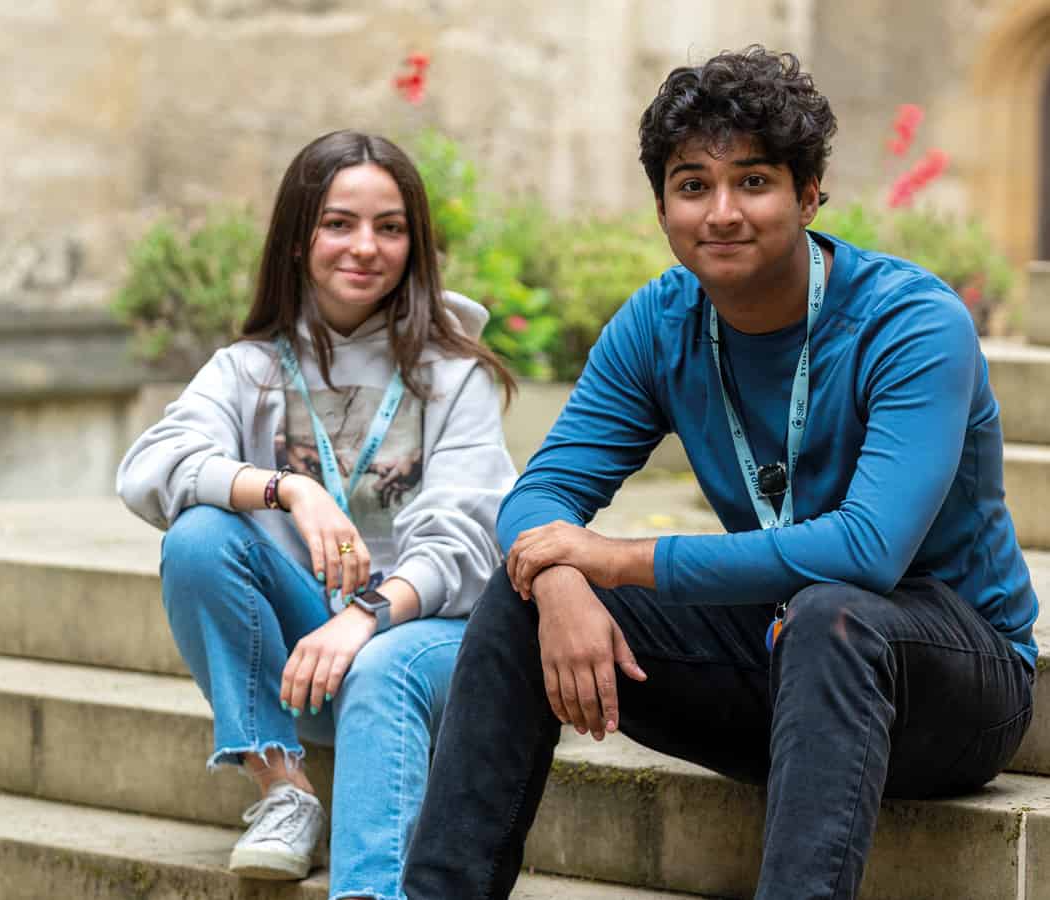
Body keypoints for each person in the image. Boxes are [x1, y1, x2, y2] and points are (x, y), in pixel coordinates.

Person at [402, 46, 1039, 900]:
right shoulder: (661, 322)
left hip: (954, 688)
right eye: (693, 185)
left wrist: (618, 559)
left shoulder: (910, 323)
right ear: (664, 206)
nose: (722, 213)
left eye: (755, 181)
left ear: (810, 195)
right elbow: (541, 496)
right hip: (783, 672)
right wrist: (558, 582)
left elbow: (867, 551)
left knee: (833, 614)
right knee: (520, 599)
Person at [116, 130, 517, 897]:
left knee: (380, 664)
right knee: (200, 536)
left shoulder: (453, 371)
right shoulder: (250, 368)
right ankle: (284, 790)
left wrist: (366, 614)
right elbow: (146, 469)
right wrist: (288, 489)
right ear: (299, 239)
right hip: (304, 654)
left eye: (390, 227)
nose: (365, 247)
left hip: (423, 645)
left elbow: (470, 541)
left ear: (415, 242)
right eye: (340, 223)